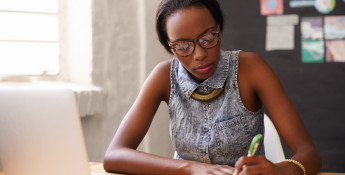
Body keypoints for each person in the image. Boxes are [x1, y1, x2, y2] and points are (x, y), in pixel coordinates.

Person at [103, 0, 322, 174]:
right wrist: (191, 168)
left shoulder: (251, 69)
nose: (199, 54)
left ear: (219, 29)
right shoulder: (163, 76)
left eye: (208, 38)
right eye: (182, 46)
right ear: (169, 46)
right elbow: (114, 155)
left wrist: (279, 170)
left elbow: (309, 154)